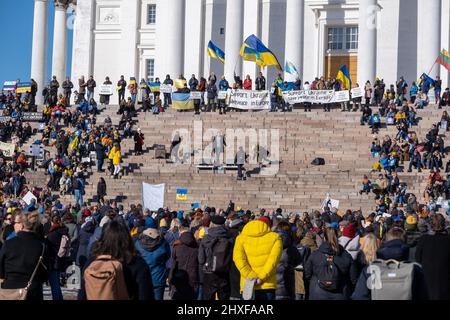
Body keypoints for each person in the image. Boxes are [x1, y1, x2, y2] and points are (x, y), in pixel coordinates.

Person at [80, 220, 154, 300]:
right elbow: (146, 295)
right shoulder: (136, 264)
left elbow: (82, 294)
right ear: (127, 238)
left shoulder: (92, 261)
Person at [352, 227, 428, 300]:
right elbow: (424, 295)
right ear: (404, 242)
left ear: (386, 242)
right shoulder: (415, 269)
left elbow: (359, 296)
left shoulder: (371, 270)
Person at [0, 211, 48, 300]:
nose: (14, 225)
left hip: (10, 289)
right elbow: (45, 272)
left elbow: (1, 267)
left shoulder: (8, 244)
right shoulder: (41, 246)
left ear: (22, 225)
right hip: (33, 289)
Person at [233, 217, 282, 300]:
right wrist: (261, 277)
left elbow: (238, 260)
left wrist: (251, 277)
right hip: (267, 283)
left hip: (248, 283)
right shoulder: (275, 237)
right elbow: (273, 261)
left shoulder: (240, 238)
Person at [304, 226, 356, 300]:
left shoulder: (315, 255)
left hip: (317, 293)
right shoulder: (346, 256)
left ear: (324, 238)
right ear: (337, 237)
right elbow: (353, 278)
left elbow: (307, 275)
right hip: (341, 293)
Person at [415, 213, 450, 300]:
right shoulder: (448, 239)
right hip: (445, 281)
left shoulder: (424, 239)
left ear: (430, 224)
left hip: (428, 280)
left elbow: (417, 258)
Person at [198, 215, 232, 300]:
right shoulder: (229, 238)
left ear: (212, 224)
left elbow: (201, 259)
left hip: (209, 272)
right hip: (224, 272)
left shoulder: (206, 238)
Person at [135, 227, 171, 300]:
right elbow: (168, 255)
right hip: (158, 277)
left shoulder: (138, 244)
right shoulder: (163, 243)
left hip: (143, 277)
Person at [169, 228, 199, 300]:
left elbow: (173, 264)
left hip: (179, 276)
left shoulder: (177, 247)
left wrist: (170, 277)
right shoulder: (197, 247)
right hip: (193, 276)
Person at [275, 221, 301, 300]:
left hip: (272, 284)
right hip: (287, 285)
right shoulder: (292, 248)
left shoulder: (269, 243)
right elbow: (298, 262)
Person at [46, 215, 69, 301]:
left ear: (52, 222)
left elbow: (48, 247)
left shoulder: (53, 234)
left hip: (53, 260)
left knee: (54, 284)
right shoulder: (64, 231)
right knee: (56, 284)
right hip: (61, 259)